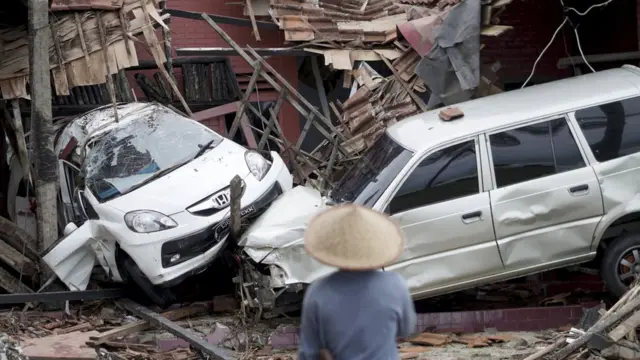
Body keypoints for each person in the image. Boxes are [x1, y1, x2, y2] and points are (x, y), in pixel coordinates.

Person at [297, 204, 417, 360]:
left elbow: (309, 352)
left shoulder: (318, 292)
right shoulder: (396, 285)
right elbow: (406, 330)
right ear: (375, 246)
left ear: (333, 248)